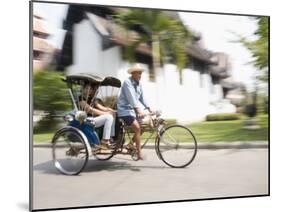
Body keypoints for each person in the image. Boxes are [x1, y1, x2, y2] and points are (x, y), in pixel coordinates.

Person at [117, 63, 153, 160]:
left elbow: (142, 97)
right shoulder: (127, 82)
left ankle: (130, 145)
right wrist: (139, 110)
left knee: (143, 126)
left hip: (132, 111)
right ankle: (139, 153)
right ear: (133, 73)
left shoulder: (139, 84)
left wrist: (149, 107)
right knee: (137, 128)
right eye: (138, 73)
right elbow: (131, 98)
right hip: (124, 110)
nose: (140, 75)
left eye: (141, 73)